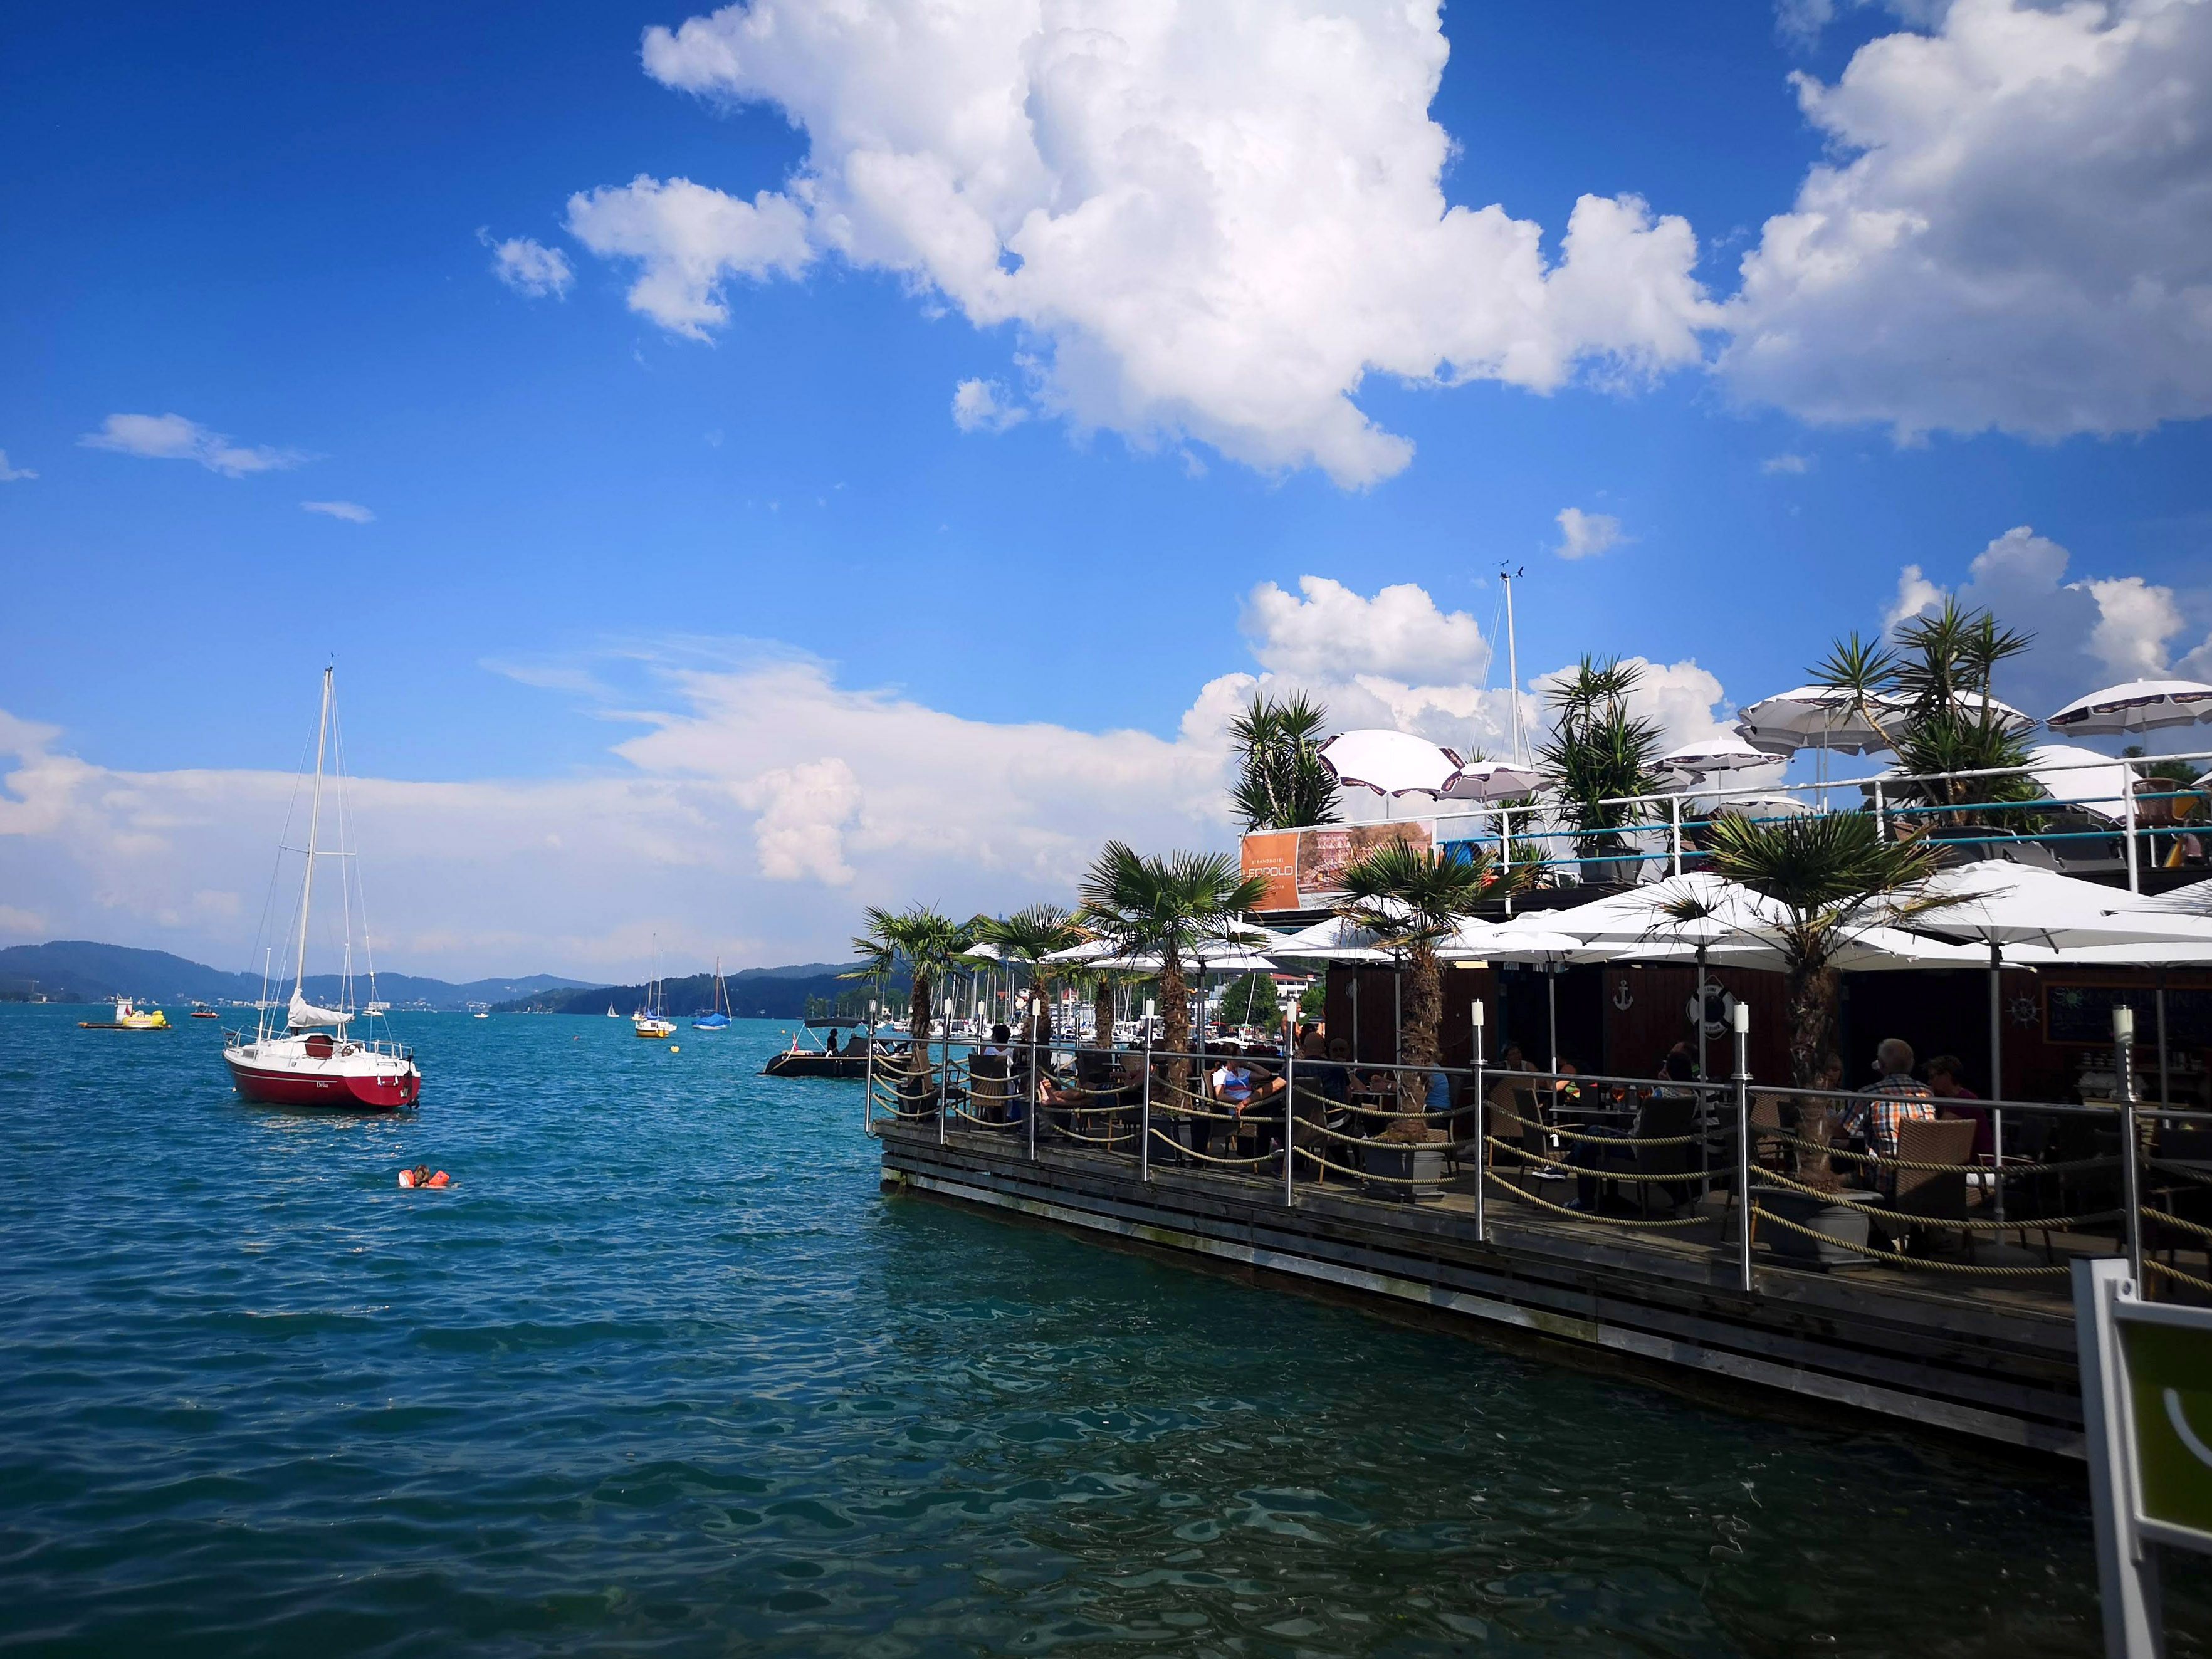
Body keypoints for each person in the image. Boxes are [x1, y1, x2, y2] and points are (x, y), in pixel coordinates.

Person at [1850, 1037, 1936, 1161]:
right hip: (1926, 1174)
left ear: (1882, 1064)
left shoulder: (1868, 1094)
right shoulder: (1927, 1093)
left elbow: (1843, 1132)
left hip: (1886, 1176)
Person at [1927, 1054, 1993, 1158]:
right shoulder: (1951, 1099)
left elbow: (1938, 1133)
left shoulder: (1965, 1101)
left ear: (1946, 1076)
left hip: (1979, 1163)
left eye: (1932, 1077)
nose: (1929, 1082)